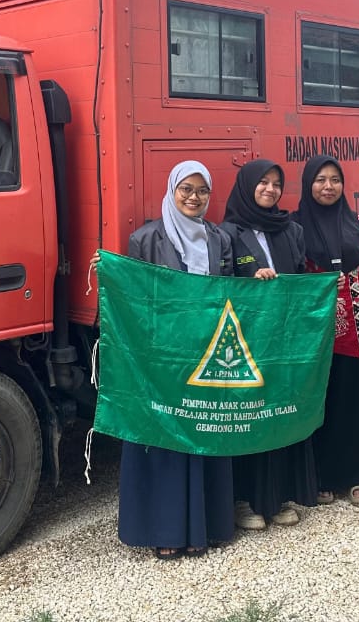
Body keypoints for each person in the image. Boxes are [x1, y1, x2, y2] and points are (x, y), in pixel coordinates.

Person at [118, 160, 236, 558]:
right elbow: (135, 295)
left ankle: (209, 525)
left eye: (202, 190)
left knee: (205, 431)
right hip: (165, 357)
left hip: (207, 353)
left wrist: (258, 282)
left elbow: (231, 292)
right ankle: (167, 529)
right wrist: (111, 273)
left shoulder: (218, 239)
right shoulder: (146, 238)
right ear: (172, 190)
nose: (194, 197)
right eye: (186, 189)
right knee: (167, 439)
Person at [220, 158, 318, 528]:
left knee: (281, 413)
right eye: (262, 182)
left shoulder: (291, 229)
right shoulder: (226, 233)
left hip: (285, 340)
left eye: (277, 184)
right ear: (246, 186)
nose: (270, 190)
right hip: (246, 343)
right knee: (248, 417)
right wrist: (249, 282)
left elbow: (299, 277)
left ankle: (277, 497)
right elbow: (221, 283)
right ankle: (244, 500)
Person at [292, 155, 359, 507]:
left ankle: (357, 474)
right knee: (321, 402)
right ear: (308, 184)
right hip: (315, 333)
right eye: (320, 180)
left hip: (358, 330)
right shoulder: (295, 228)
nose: (328, 187)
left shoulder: (358, 225)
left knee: (358, 401)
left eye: (335, 180)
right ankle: (319, 475)